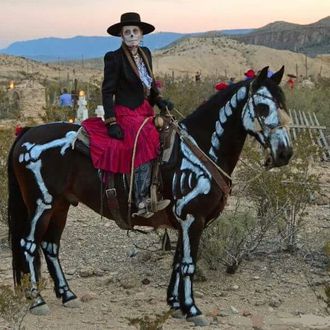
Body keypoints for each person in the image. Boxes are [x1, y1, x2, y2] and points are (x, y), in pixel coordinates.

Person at [102, 12, 173, 217]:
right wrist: (111, 121)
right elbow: (107, 92)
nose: (132, 35)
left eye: (135, 31)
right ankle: (141, 199)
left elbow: (149, 84)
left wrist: (159, 101)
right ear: (121, 36)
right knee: (145, 138)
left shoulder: (146, 53)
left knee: (169, 132)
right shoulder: (114, 58)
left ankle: (161, 188)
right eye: (127, 32)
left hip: (144, 109)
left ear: (142, 34)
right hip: (126, 112)